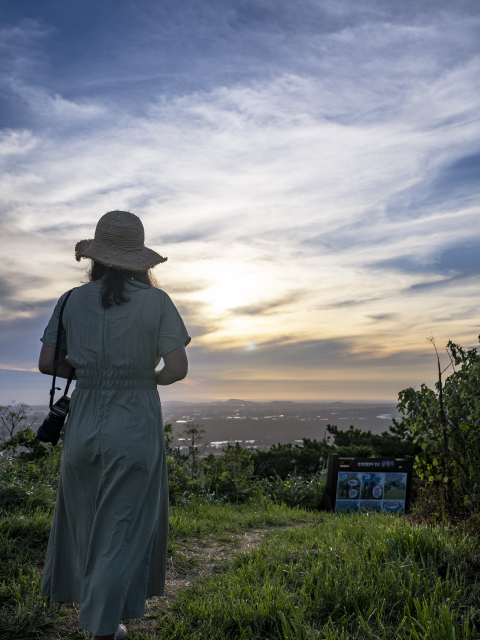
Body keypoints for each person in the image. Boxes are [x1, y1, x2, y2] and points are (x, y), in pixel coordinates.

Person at [38, 210, 191, 640]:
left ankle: (101, 616)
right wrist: (147, 377)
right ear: (141, 260)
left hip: (83, 418)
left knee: (87, 519)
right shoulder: (156, 302)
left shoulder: (71, 299)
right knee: (123, 526)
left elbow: (48, 362)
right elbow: (177, 368)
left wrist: (90, 369)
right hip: (135, 419)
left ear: (96, 257)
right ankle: (104, 629)